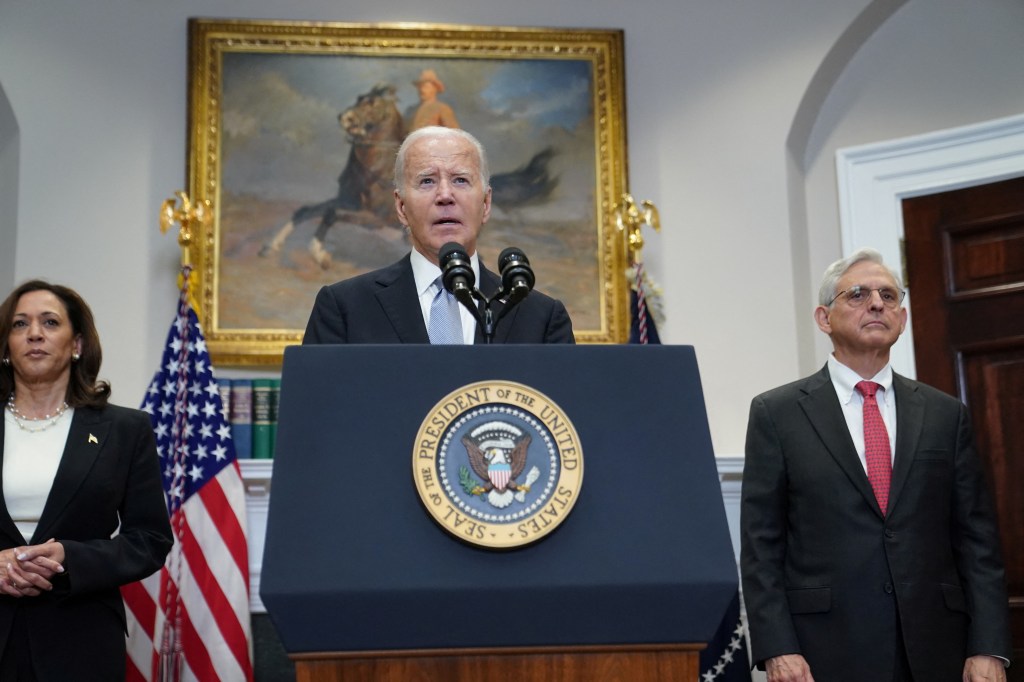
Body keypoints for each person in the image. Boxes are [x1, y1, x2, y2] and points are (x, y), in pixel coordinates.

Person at [740, 248, 1012, 682]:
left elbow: (977, 541)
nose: (877, 304)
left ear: (901, 319)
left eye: (888, 295)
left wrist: (989, 646)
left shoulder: (945, 414)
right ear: (824, 318)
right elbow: (762, 547)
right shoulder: (778, 413)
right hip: (822, 651)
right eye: (858, 294)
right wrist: (778, 647)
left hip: (938, 649)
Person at [0, 280, 173, 680]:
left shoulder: (125, 429)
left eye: (50, 322)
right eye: (19, 324)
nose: (35, 333)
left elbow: (150, 540)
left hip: (80, 637)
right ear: (7, 346)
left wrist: (70, 558)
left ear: (77, 344)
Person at [303, 126, 575, 344]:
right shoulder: (344, 308)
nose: (445, 196)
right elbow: (318, 410)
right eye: (427, 181)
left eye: (460, 180)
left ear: (486, 204)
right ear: (401, 207)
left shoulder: (541, 318)